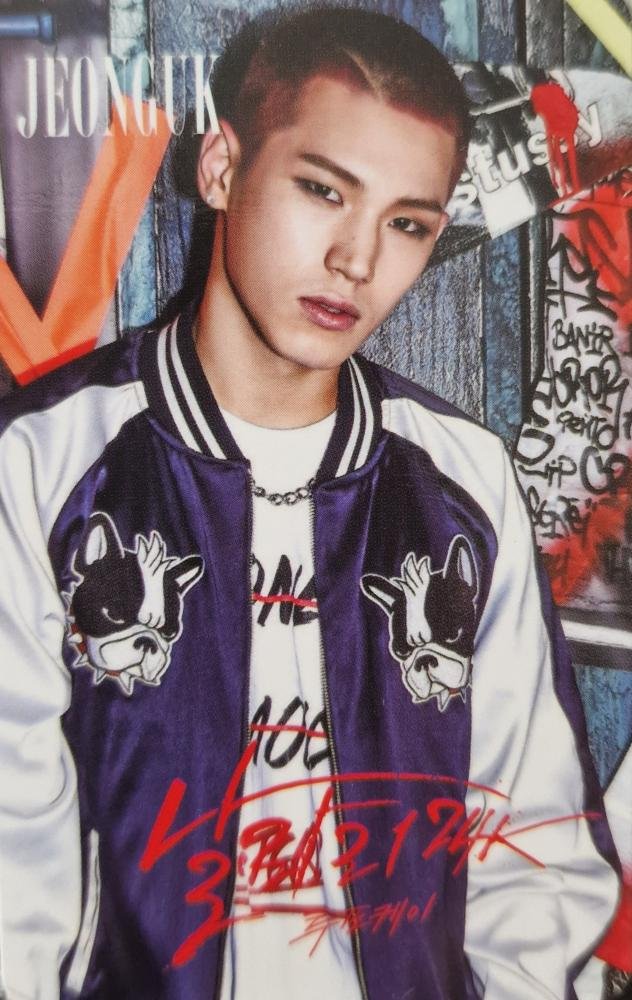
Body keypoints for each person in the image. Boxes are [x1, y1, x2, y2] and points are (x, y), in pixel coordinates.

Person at [0, 7, 620, 999]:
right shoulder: (43, 464)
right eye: (322, 190)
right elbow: (11, 883)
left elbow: (533, 851)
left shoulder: (460, 482)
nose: (355, 259)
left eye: (406, 223)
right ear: (221, 168)